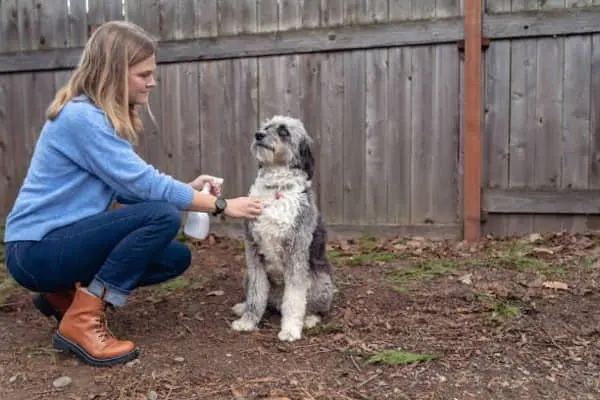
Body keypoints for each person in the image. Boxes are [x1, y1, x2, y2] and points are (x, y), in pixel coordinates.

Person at [2, 20, 262, 367]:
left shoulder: (95, 119)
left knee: (174, 258)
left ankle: (61, 298)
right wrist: (221, 205)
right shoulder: (82, 119)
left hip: (55, 246)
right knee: (163, 215)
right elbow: (146, 185)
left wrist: (187, 190)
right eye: (144, 74)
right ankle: (82, 320)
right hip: (34, 250)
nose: (152, 82)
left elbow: (131, 190)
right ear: (112, 73)